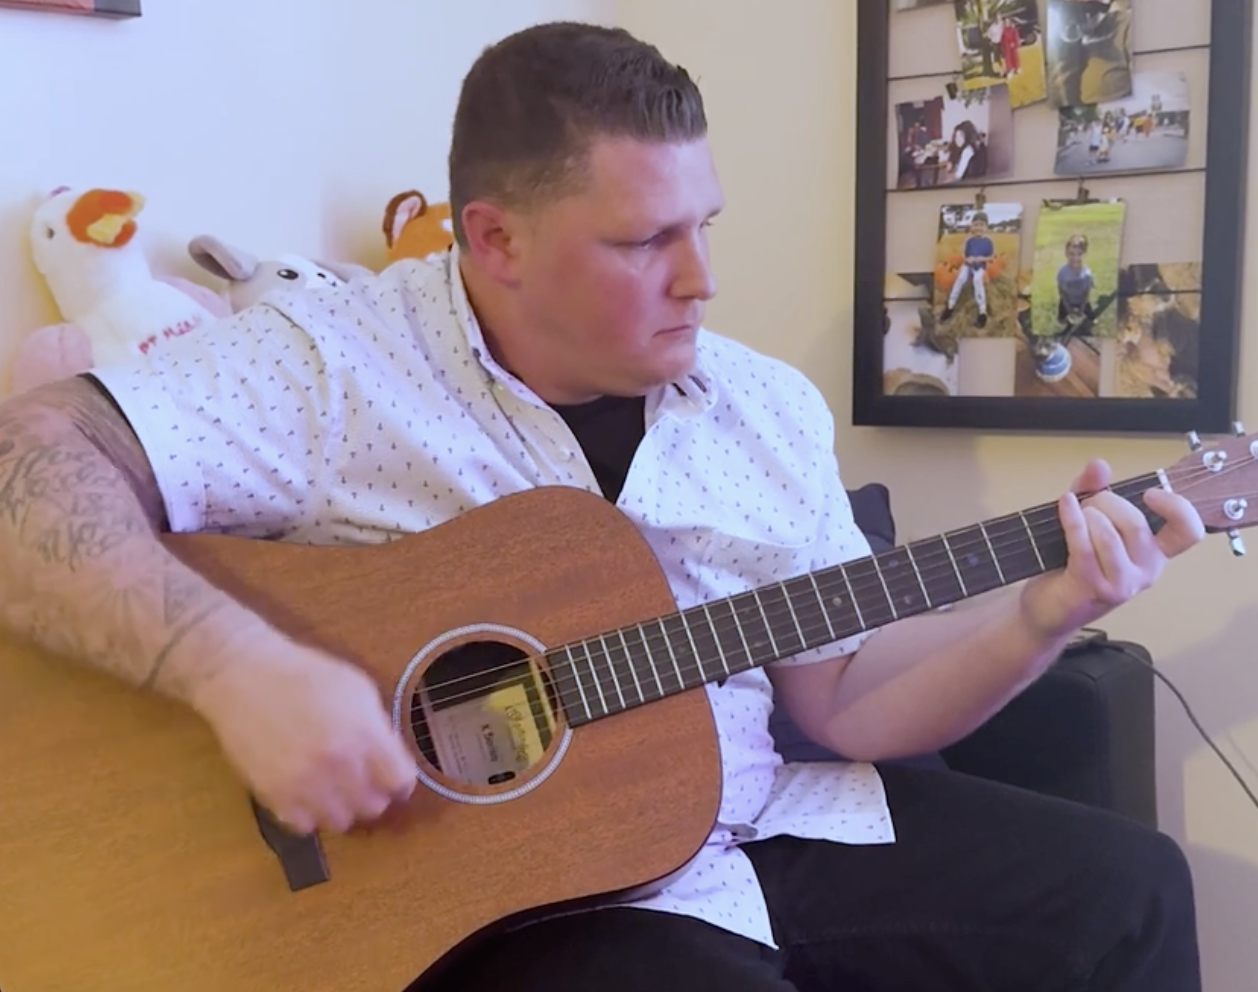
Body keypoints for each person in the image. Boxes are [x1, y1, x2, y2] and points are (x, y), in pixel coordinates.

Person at [0, 20, 1204, 992]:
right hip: (496, 890)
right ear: (495, 239)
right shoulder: (329, 362)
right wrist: (233, 668)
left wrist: (1040, 612)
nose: (702, 278)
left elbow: (840, 700)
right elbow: (31, 458)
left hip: (749, 822)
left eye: (705, 225)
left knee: (1132, 891)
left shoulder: (761, 407)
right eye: (644, 240)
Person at [940, 210, 994, 329]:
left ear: (986, 227)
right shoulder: (969, 240)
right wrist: (967, 259)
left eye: (981, 225)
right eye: (976, 225)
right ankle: (950, 306)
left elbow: (991, 257)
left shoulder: (988, 242)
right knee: (960, 279)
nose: (978, 228)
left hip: (980, 266)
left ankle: (982, 312)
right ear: (972, 226)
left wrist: (981, 258)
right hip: (968, 264)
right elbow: (964, 254)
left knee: (977, 281)